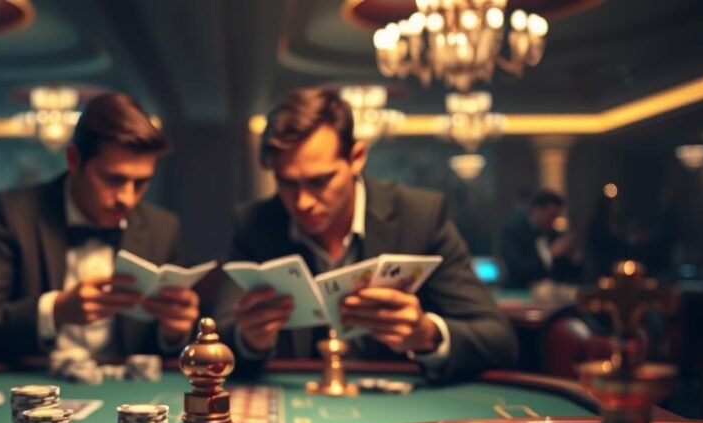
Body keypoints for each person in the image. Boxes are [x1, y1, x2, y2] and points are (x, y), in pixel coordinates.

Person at [217, 88, 516, 381]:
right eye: (287, 183)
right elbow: (218, 338)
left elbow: (498, 339)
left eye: (319, 181)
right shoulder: (255, 224)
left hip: (396, 405)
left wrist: (427, 334)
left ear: (357, 157)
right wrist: (248, 339)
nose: (303, 202)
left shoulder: (420, 216)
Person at [0, 92, 199, 362]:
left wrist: (173, 332)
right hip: (38, 384)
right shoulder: (15, 214)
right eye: (113, 180)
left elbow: (160, 347)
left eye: (141, 183)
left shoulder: (163, 228)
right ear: (73, 159)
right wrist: (54, 311)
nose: (127, 198)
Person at [500, 189, 580, 287]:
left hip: (551, 291)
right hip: (520, 291)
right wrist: (550, 254)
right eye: (551, 216)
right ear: (537, 210)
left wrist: (573, 255)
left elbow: (568, 272)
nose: (553, 221)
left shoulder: (553, 234)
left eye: (556, 217)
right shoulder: (513, 230)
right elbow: (516, 268)